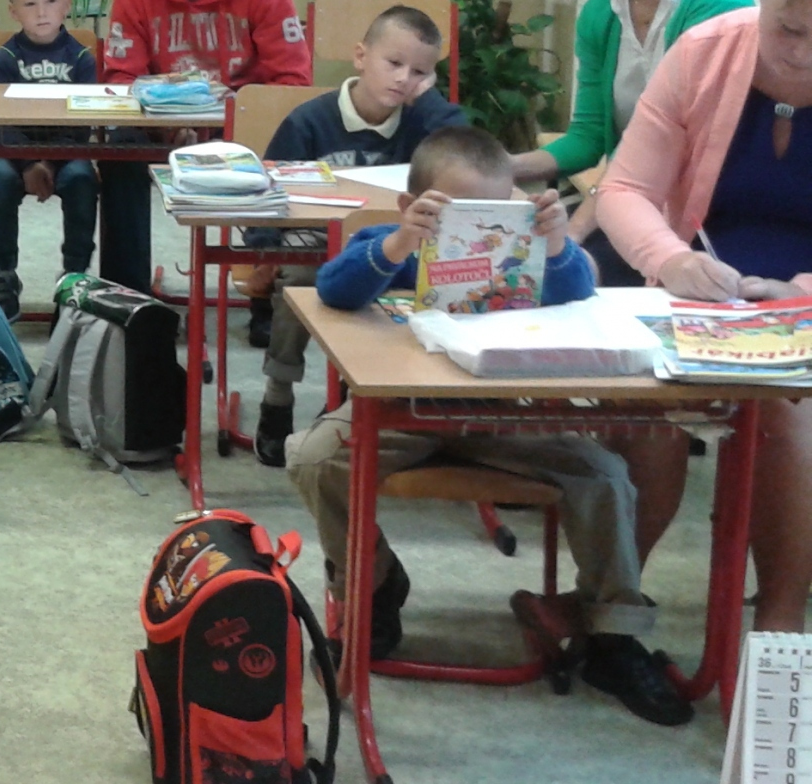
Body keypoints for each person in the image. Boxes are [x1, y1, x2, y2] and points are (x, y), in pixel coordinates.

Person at [286, 126, 691, 725]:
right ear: (414, 205)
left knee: (605, 476)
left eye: (497, 213)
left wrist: (555, 243)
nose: (480, 228)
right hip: (401, 413)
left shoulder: (523, 256)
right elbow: (334, 289)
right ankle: (373, 585)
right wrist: (400, 242)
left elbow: (578, 291)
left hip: (502, 418)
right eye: (459, 213)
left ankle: (612, 632)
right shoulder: (390, 244)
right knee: (315, 457)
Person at [598, 0, 812, 634]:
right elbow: (625, 190)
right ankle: (610, 605)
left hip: (800, 306)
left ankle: (779, 622)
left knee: (784, 412)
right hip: (700, 292)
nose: (802, 53)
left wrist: (802, 293)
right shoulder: (703, 52)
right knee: (647, 421)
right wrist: (670, 260)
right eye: (789, 29)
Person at [510, 0, 753, 285]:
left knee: (560, 273)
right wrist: (503, 166)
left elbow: (677, 147)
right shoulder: (599, 12)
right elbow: (587, 138)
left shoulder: (719, 0)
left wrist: (577, 231)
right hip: (627, 197)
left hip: (700, 208)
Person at [246, 5, 465, 466]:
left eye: (419, 72)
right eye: (394, 63)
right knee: (300, 282)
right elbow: (270, 188)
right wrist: (263, 248)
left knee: (414, 287)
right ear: (361, 57)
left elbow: (465, 153)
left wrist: (427, 102)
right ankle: (278, 394)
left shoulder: (423, 123)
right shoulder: (310, 121)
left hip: (393, 249)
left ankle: (350, 402)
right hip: (314, 247)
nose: (404, 79)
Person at [97, 0, 311, 290]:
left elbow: (291, 83)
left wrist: (234, 125)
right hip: (161, 128)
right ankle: (129, 297)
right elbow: (121, 78)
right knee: (118, 150)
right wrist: (166, 125)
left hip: (241, 131)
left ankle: (267, 286)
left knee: (285, 142)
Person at [0, 0, 100, 321]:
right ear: (14, 12)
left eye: (50, 2)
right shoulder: (3, 59)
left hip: (66, 151)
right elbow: (2, 123)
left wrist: (48, 162)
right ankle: (4, 274)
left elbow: (83, 124)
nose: (42, 12)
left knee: (82, 179)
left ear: (66, 5)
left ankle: (74, 274)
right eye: (30, 4)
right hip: (11, 151)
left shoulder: (82, 59)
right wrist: (29, 164)